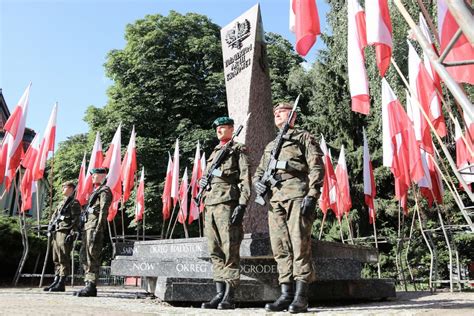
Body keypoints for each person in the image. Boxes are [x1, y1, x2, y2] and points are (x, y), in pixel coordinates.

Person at [254, 102, 324, 313]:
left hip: (297, 194)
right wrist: (257, 182)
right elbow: (259, 171)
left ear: (292, 116)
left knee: (299, 244)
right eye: (274, 112)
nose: (276, 114)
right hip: (275, 199)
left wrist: (313, 194)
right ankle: (285, 294)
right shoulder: (271, 145)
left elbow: (317, 167)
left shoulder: (303, 137)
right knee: (280, 248)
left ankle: (301, 297)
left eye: (281, 111)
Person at [199, 116, 251, 310]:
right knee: (214, 249)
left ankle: (229, 295)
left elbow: (246, 179)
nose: (219, 131)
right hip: (210, 204)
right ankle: (219, 293)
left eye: (223, 128)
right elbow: (207, 177)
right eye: (217, 129)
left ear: (232, 129)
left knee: (230, 248)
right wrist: (203, 182)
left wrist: (242, 204)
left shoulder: (238, 150)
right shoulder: (214, 153)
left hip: (228, 203)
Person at [74, 168, 112, 297]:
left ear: (102, 176)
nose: (92, 177)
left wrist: (99, 227)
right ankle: (87, 283)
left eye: (94, 175)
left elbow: (103, 210)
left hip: (95, 225)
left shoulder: (105, 190)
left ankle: (91, 284)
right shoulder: (95, 192)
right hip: (87, 226)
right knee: (84, 254)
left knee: (92, 254)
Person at [43, 181, 81, 292]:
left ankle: (62, 282)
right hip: (57, 232)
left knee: (63, 257)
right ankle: (56, 279)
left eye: (64, 187)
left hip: (65, 232)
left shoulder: (74, 203)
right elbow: (55, 217)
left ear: (71, 188)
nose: (62, 189)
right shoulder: (61, 203)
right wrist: (50, 225)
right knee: (56, 258)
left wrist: (72, 233)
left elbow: (76, 220)